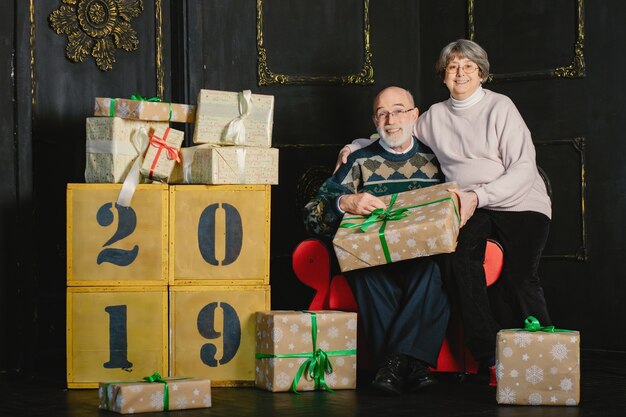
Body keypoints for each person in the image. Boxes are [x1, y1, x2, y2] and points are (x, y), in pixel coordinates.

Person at [336, 39, 553, 385]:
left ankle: (546, 359)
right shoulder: (435, 116)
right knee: (455, 261)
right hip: (469, 206)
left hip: (519, 202)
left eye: (468, 66)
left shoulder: (501, 107)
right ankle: (490, 357)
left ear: (481, 72)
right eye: (453, 67)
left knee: (518, 279)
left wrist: (479, 196)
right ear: (443, 75)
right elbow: (395, 131)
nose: (461, 73)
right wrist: (354, 147)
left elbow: (524, 169)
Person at [304, 86, 450, 395]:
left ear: (414, 115)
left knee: (435, 269)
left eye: (398, 111)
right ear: (374, 120)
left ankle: (394, 363)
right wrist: (346, 202)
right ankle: (416, 365)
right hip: (373, 257)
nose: (390, 119)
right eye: (382, 113)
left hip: (421, 256)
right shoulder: (358, 160)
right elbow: (313, 215)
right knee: (360, 267)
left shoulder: (437, 159)